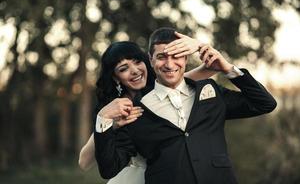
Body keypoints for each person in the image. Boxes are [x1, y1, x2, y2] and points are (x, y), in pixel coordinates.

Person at [94, 28, 277, 184]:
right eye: (161, 57)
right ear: (150, 60)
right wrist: (103, 120)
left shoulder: (209, 90)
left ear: (186, 58)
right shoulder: (133, 112)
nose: (169, 63)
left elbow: (265, 103)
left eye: (176, 56)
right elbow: (109, 169)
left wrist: (228, 68)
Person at [78, 39, 216, 182]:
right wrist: (109, 124)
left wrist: (197, 45)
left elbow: (211, 68)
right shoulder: (113, 109)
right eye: (124, 68)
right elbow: (84, 162)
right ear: (115, 77)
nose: (135, 71)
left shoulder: (163, 86)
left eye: (137, 62)